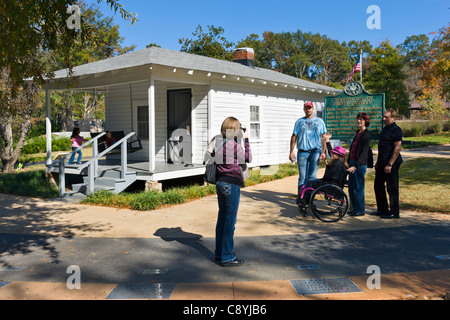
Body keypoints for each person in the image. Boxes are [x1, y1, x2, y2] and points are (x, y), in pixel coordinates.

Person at [214, 117, 252, 267]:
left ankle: (220, 252)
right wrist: (247, 140)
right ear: (235, 130)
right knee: (230, 221)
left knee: (222, 219)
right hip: (231, 184)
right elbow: (248, 158)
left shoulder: (218, 143)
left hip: (220, 182)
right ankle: (227, 256)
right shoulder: (234, 146)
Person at [289, 101, 328, 196]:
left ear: (313, 108)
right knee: (302, 177)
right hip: (302, 152)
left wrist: (324, 151)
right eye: (306, 108)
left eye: (309, 108)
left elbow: (324, 136)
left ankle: (309, 198)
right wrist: (291, 152)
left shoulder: (319, 121)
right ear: (304, 109)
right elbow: (294, 136)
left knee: (312, 177)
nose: (308, 110)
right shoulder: (299, 122)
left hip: (315, 152)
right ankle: (301, 199)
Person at [298, 145, 348, 216]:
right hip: (333, 186)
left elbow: (327, 177)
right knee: (310, 183)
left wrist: (327, 168)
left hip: (330, 188)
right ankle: (305, 201)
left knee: (310, 182)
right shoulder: (340, 164)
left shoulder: (337, 164)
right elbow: (331, 175)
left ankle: (304, 202)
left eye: (333, 153)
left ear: (338, 155)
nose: (331, 154)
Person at [373, 109, 403, 219]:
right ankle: (382, 209)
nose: (383, 118)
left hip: (392, 163)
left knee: (392, 188)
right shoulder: (385, 129)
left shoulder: (396, 130)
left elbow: (397, 148)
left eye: (386, 117)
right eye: (383, 116)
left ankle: (394, 212)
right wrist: (378, 162)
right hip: (382, 162)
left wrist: (390, 164)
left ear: (393, 119)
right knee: (378, 186)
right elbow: (382, 148)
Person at [347, 112, 372, 217]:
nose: (359, 121)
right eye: (358, 119)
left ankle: (360, 210)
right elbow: (353, 149)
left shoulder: (366, 134)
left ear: (366, 121)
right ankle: (355, 208)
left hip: (359, 165)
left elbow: (363, 153)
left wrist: (355, 165)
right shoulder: (357, 133)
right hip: (352, 162)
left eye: (361, 119)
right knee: (351, 187)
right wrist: (349, 163)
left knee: (358, 187)